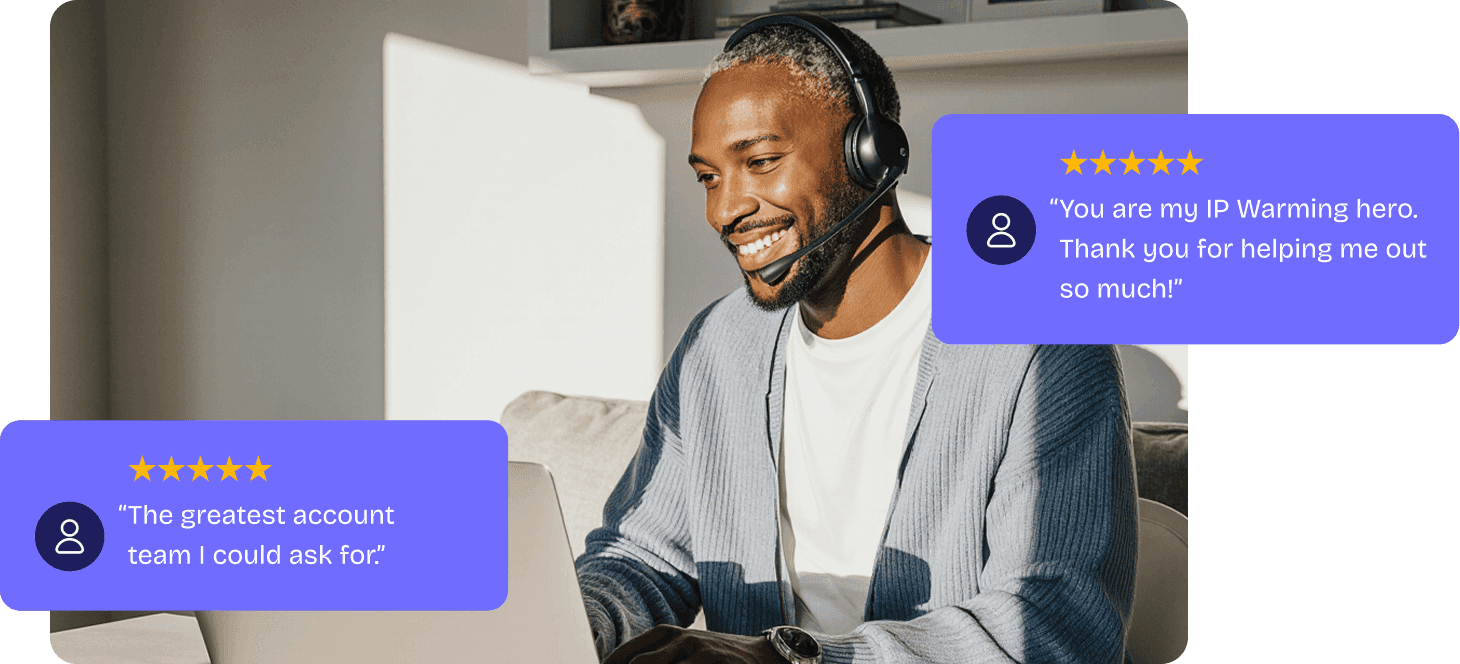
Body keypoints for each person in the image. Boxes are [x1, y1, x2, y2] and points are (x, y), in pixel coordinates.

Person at [576, 15, 1137, 664]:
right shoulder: (717, 349)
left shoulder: (1041, 345)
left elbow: (1057, 626)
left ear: (870, 153)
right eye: (709, 177)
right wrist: (567, 624)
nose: (725, 210)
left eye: (760, 162)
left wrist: (780, 659)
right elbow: (642, 557)